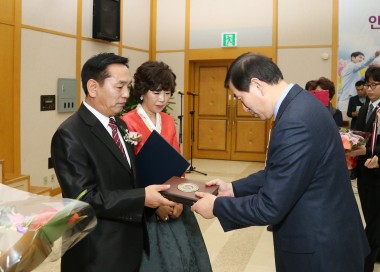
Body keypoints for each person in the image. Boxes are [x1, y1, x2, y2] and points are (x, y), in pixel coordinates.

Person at [191, 52, 369, 272]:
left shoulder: (294, 122)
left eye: (240, 98)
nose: (244, 108)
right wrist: (233, 189)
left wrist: (217, 206)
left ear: (256, 85)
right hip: (331, 239)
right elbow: (280, 171)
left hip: (319, 253)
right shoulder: (303, 104)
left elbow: (270, 206)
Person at [51, 53, 176, 272]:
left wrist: (155, 201)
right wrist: (143, 197)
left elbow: (130, 178)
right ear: (93, 87)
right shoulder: (70, 134)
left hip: (129, 242)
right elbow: (84, 198)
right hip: (97, 251)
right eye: (119, 87)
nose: (126, 94)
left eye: (128, 87)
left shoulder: (120, 125)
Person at [121, 60, 212, 272]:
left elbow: (176, 164)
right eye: (156, 92)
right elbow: (128, 175)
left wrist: (180, 200)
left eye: (168, 93)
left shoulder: (168, 121)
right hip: (146, 202)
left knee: (186, 256)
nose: (162, 99)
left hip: (174, 197)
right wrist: (156, 205)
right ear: (142, 91)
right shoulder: (126, 122)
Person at [347, 66, 380, 272]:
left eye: (374, 85)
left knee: (376, 222)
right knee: (370, 216)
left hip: (378, 170)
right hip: (365, 172)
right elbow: (360, 135)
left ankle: (365, 263)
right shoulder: (367, 106)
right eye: (367, 85)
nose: (369, 89)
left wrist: (367, 150)